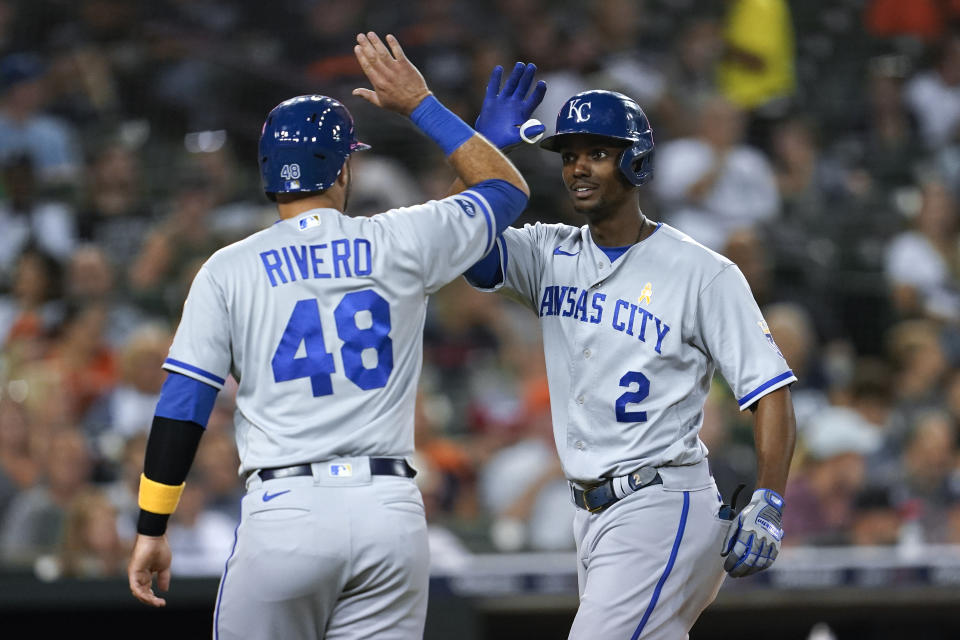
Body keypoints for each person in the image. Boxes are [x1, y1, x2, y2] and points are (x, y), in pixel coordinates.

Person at [126, 31, 530, 640]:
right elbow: (503, 190)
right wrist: (431, 110)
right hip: (388, 512)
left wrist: (152, 528)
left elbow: (183, 408)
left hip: (286, 510)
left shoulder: (227, 268)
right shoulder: (398, 239)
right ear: (344, 167)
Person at [463, 65, 797, 638]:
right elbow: (459, 237)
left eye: (597, 153)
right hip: (589, 515)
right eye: (569, 155)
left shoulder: (702, 272)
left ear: (636, 161)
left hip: (661, 504)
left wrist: (768, 498)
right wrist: (483, 149)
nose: (577, 168)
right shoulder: (548, 252)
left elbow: (770, 394)